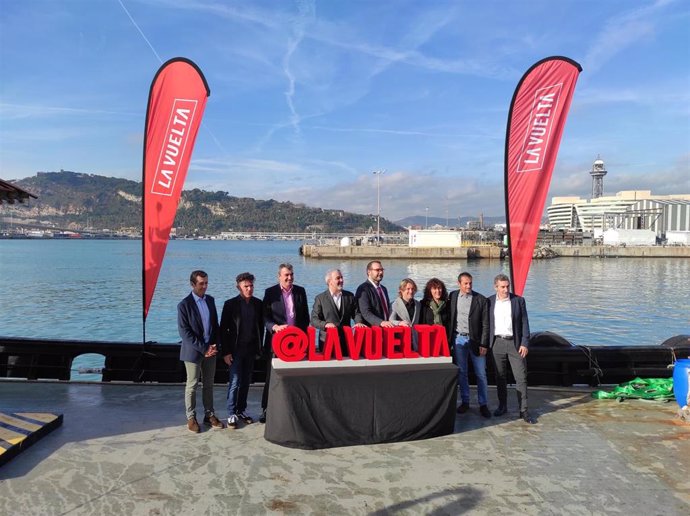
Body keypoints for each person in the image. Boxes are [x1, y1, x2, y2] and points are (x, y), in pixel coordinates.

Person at [261, 263, 310, 423]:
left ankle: (293, 409)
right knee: (272, 377)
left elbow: (305, 318)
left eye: (291, 274)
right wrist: (274, 327)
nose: (289, 278)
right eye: (286, 275)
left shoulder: (300, 291)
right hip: (276, 341)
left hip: (296, 343)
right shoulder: (270, 293)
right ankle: (266, 409)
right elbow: (265, 317)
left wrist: (301, 339)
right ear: (279, 276)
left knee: (293, 377)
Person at [177, 270, 223, 432]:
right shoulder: (184, 305)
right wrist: (204, 349)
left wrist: (215, 345)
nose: (204, 286)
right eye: (201, 283)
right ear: (192, 285)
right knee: (192, 385)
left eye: (206, 283)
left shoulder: (210, 300)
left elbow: (215, 325)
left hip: (211, 350)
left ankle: (209, 415)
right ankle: (191, 417)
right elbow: (185, 333)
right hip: (194, 352)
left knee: (209, 384)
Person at [488, 273, 536, 424]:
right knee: (500, 377)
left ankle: (524, 410)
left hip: (515, 343)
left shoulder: (518, 301)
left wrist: (524, 343)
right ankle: (502, 406)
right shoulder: (489, 302)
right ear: (496, 287)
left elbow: (525, 323)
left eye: (507, 286)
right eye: (502, 287)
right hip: (497, 343)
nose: (505, 289)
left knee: (521, 377)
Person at [220, 272, 264, 429]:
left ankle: (241, 410)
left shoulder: (258, 304)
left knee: (246, 382)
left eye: (251, 285)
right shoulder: (230, 304)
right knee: (235, 381)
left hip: (251, 349)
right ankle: (231, 412)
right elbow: (223, 329)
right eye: (246, 286)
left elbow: (260, 328)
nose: (249, 288)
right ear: (238, 287)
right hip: (235, 350)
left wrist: (260, 348)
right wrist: (225, 352)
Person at [449, 272, 491, 418]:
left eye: (470, 283)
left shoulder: (480, 299)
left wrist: (484, 344)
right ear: (459, 283)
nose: (468, 286)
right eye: (465, 283)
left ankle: (483, 404)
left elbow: (486, 324)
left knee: (481, 374)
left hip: (476, 341)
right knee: (462, 372)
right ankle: (465, 402)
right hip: (458, 339)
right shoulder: (452, 296)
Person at [310, 269, 366, 356]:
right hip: (327, 343)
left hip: (346, 342)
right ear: (330, 281)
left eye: (342, 278)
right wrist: (325, 324)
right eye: (338, 278)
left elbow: (356, 313)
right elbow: (314, 320)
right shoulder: (320, 298)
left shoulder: (349, 296)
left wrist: (358, 322)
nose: (341, 280)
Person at [355, 260, 394, 328]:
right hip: (372, 330)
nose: (381, 272)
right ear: (369, 272)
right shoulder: (363, 289)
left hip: (386, 329)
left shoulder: (384, 289)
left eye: (382, 270)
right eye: (377, 270)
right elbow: (365, 312)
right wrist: (381, 322)